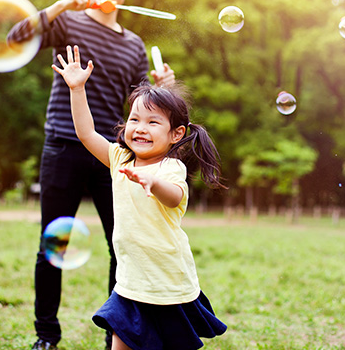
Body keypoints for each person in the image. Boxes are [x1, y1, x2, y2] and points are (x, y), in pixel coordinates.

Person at [7, 0, 175, 349]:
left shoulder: (134, 44)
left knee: (123, 246)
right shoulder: (67, 22)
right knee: (53, 246)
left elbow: (140, 105)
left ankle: (116, 338)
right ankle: (46, 336)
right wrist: (63, 3)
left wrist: (163, 86)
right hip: (63, 144)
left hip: (111, 154)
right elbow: (16, 37)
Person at [52, 44, 227, 350]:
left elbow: (174, 198)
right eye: (134, 120)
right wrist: (77, 89)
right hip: (131, 282)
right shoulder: (121, 158)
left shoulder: (171, 167)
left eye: (153, 122)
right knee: (120, 343)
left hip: (167, 282)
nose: (140, 128)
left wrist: (153, 182)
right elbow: (85, 133)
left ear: (176, 133)